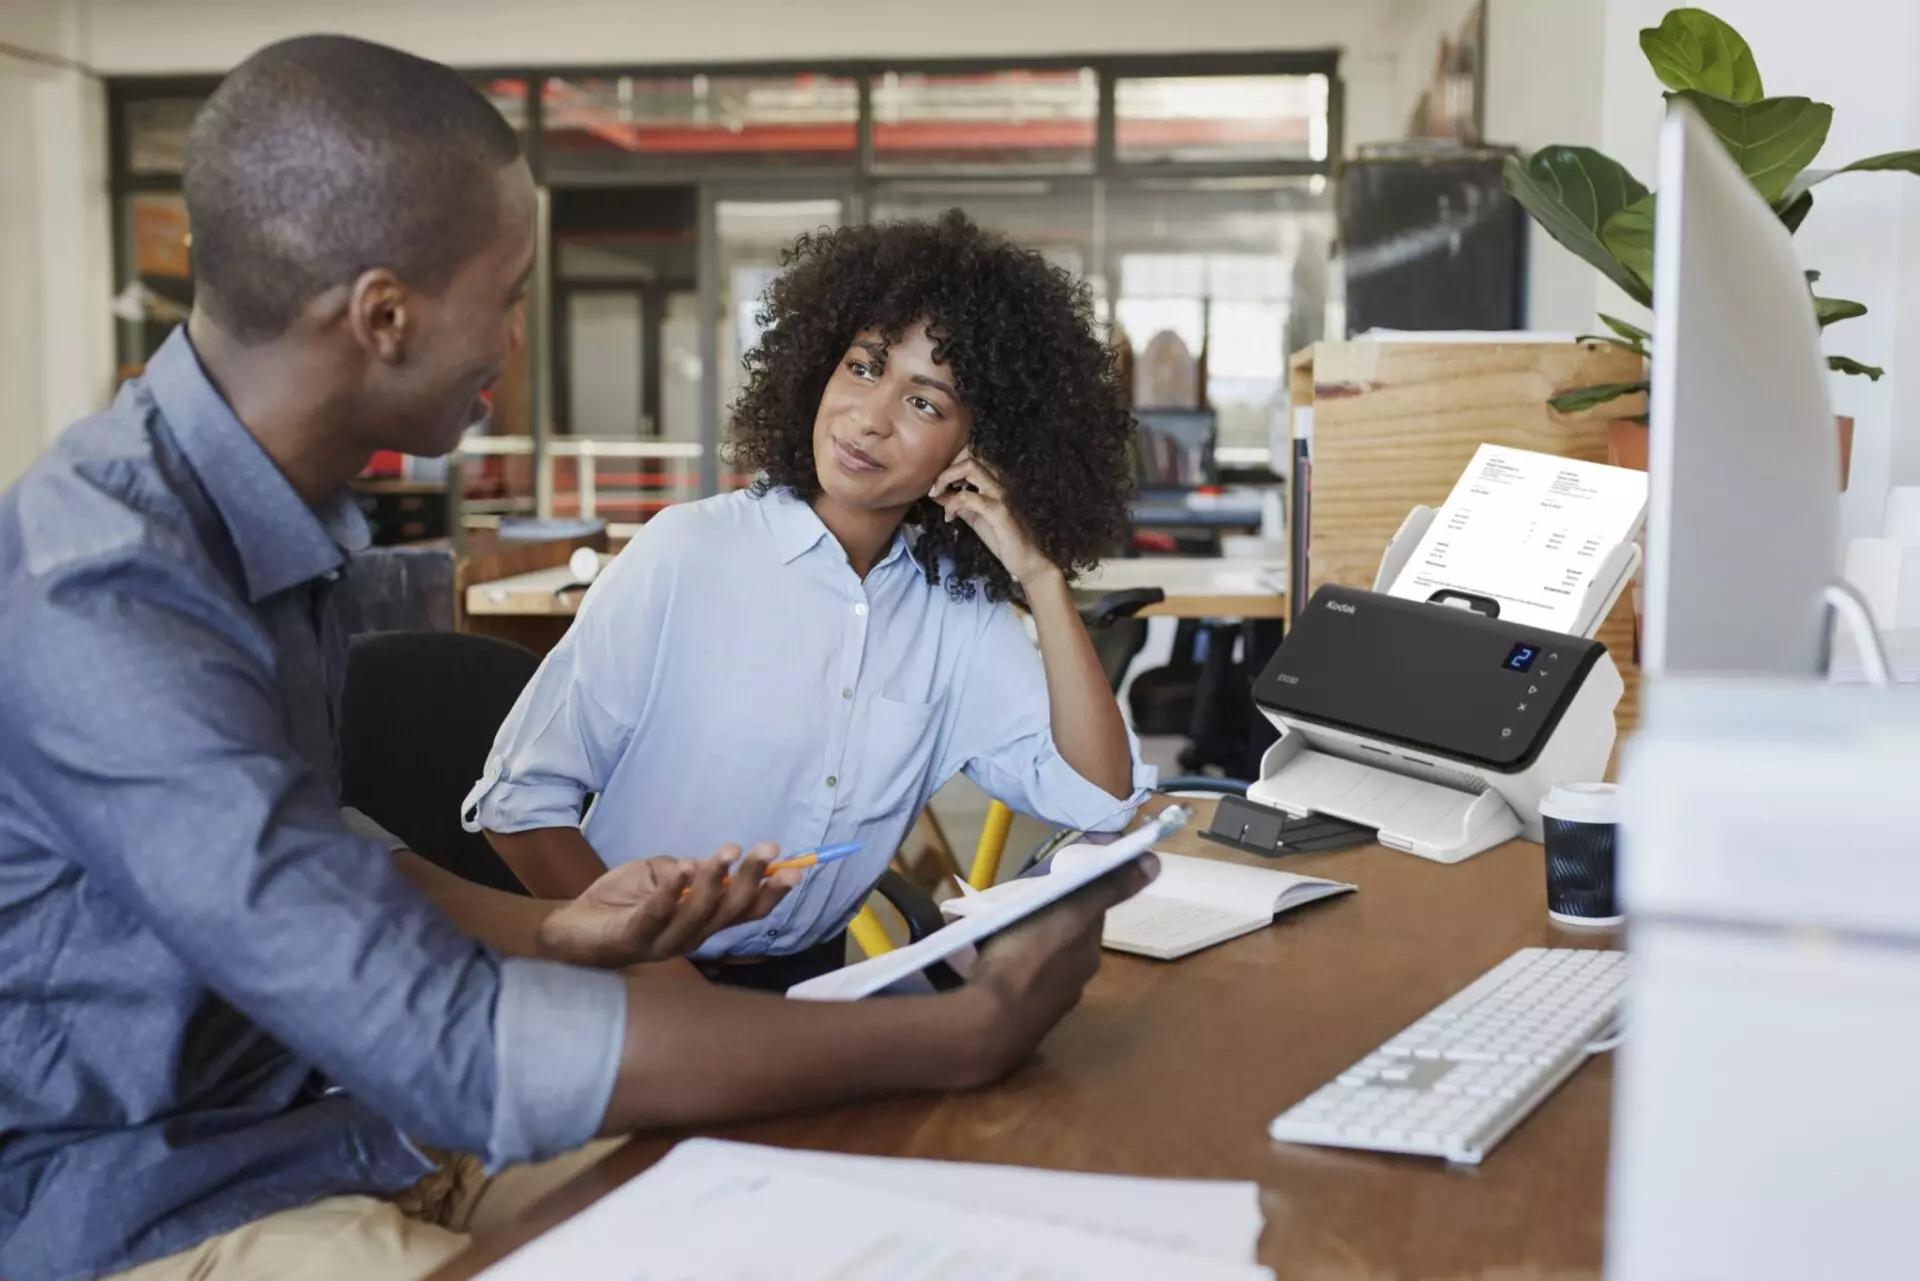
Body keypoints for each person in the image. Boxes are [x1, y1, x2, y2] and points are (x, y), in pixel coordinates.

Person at [0, 36, 1154, 1281]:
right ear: (385, 317)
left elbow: (309, 854)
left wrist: (564, 930)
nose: (513, 337)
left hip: (360, 1132)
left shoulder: (265, 530)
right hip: (154, 1199)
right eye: (504, 294)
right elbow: (443, 1037)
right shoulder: (106, 594)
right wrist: (962, 1036)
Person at [466, 212, 1155, 990]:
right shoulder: (686, 554)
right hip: (631, 984)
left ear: (978, 448)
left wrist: (1039, 574)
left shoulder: (954, 613)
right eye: (863, 367)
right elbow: (519, 802)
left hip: (814, 987)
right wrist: (653, 974)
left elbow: (1100, 801)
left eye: (925, 403)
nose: (870, 417)